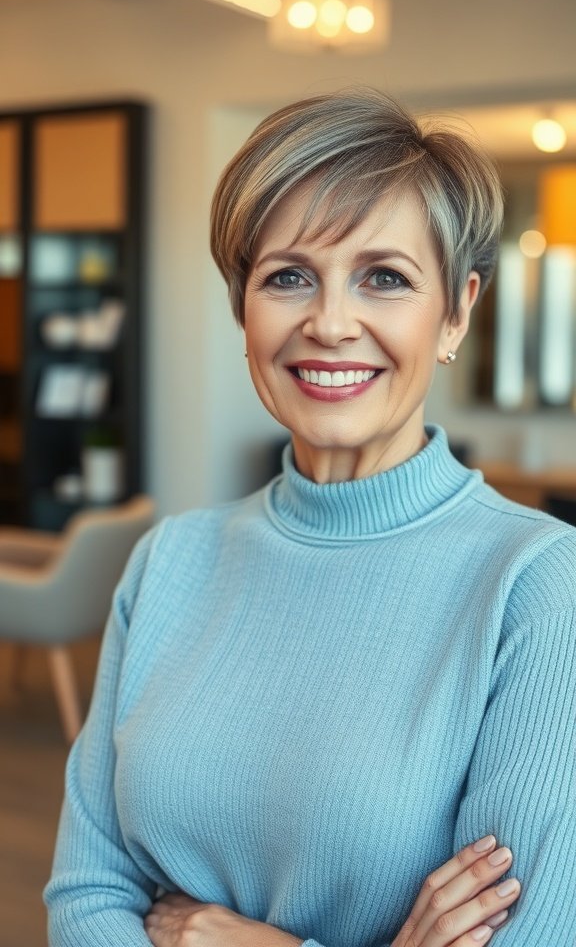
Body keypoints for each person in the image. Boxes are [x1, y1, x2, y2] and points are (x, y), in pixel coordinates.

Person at [45, 89, 576, 947]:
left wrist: (239, 941)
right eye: (288, 276)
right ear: (242, 310)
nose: (330, 323)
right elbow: (84, 894)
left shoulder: (539, 584)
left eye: (385, 279)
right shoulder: (169, 561)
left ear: (456, 311)